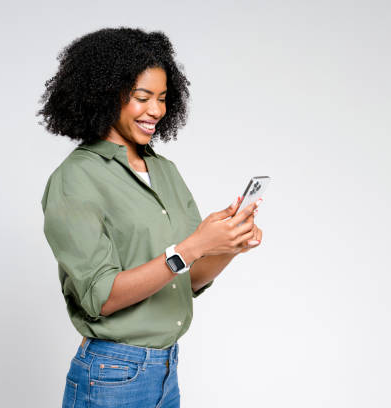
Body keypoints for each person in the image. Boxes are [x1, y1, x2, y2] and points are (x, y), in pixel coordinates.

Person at [37, 27, 263, 408]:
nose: (156, 110)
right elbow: (101, 298)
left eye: (162, 98)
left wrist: (228, 247)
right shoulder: (75, 178)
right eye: (142, 98)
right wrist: (192, 247)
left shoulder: (165, 171)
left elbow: (184, 281)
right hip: (112, 374)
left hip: (166, 370)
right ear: (106, 95)